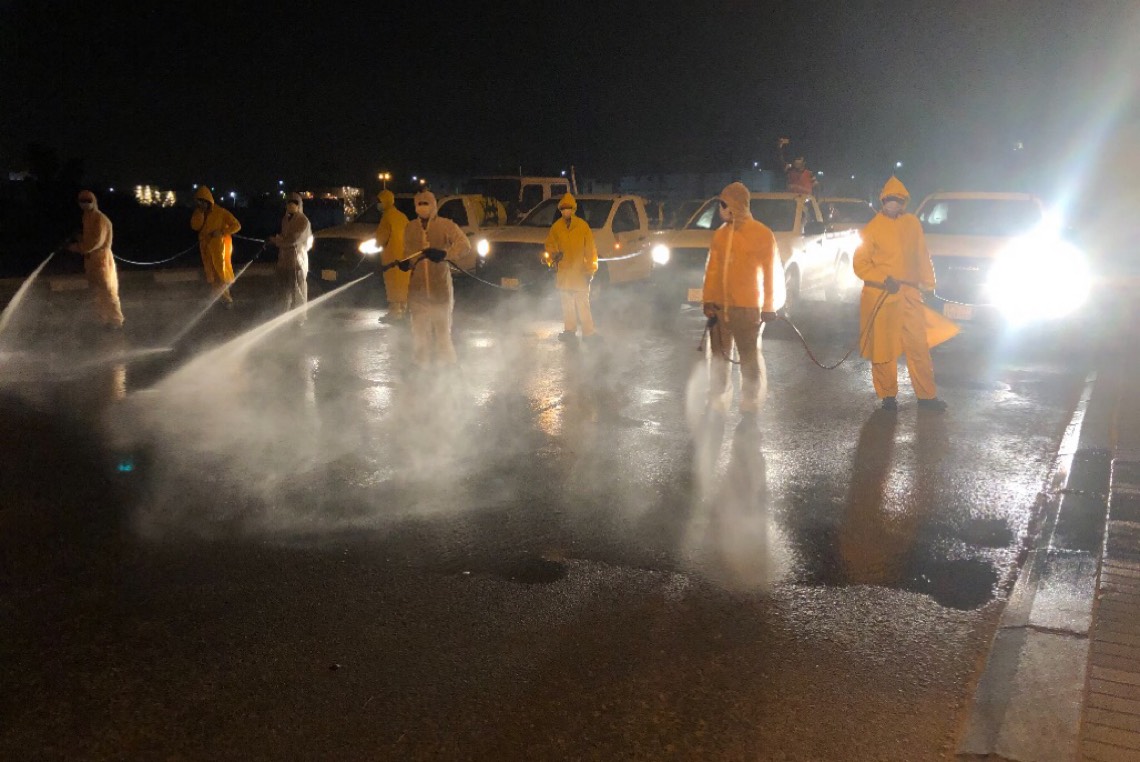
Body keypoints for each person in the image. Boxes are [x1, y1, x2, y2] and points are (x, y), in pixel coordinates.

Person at [853, 177, 957, 411]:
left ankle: (927, 396)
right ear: (882, 201)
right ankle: (888, 396)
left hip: (909, 295)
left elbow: (922, 254)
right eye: (889, 199)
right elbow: (860, 264)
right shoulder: (871, 230)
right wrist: (883, 279)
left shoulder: (912, 224)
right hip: (881, 298)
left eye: (898, 200)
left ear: (904, 202)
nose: (893, 203)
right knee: (883, 349)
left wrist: (928, 285)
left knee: (918, 346)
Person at [702, 182, 783, 417]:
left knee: (749, 358)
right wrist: (708, 300)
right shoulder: (720, 235)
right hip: (720, 307)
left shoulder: (761, 234)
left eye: (724, 204)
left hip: (748, 308)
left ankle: (750, 402)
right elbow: (712, 271)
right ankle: (717, 401)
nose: (721, 209)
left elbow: (770, 273)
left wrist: (769, 306)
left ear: (736, 205)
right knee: (719, 357)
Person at [399, 189, 472, 368]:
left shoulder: (445, 226)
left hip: (440, 291)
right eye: (419, 204)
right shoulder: (410, 228)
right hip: (417, 293)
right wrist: (406, 263)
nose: (422, 207)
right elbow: (408, 254)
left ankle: (447, 368)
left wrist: (445, 254)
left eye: (426, 204)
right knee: (419, 335)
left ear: (433, 206)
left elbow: (464, 245)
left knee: (442, 334)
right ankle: (421, 368)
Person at [544, 193, 600, 343]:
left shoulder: (582, 226)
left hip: (580, 273)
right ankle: (569, 330)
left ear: (573, 208)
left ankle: (588, 333)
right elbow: (549, 245)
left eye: (568, 207)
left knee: (583, 305)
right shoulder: (556, 227)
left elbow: (590, 250)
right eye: (563, 208)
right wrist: (553, 256)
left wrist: (590, 270)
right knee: (567, 304)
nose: (565, 210)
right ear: (560, 209)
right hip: (564, 273)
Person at [67, 190, 124, 329]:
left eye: (88, 201)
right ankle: (104, 320)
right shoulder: (87, 217)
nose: (85, 204)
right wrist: (79, 238)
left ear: (94, 201)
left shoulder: (99, 219)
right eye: (82, 201)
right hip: (92, 260)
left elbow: (95, 242)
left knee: (108, 290)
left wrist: (78, 247)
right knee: (98, 292)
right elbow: (89, 238)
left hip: (102, 259)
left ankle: (116, 320)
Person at [190, 186, 241, 307]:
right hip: (206, 248)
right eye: (199, 202)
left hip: (219, 249)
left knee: (221, 273)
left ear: (208, 201)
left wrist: (222, 232)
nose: (201, 205)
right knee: (211, 274)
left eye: (203, 202)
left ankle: (226, 299)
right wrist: (200, 214)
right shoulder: (198, 213)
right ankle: (218, 297)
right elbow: (195, 226)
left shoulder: (221, 212)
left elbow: (237, 225)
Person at [269, 192, 311, 315]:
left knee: (298, 290)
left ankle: (300, 317)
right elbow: (285, 236)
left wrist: (276, 241)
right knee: (284, 291)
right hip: (284, 261)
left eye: (294, 203)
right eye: (289, 203)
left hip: (297, 261)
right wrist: (276, 239)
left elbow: (293, 240)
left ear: (299, 205)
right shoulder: (285, 219)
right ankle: (284, 315)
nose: (291, 205)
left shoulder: (303, 221)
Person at [375, 190, 410, 322]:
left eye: (379, 201)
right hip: (404, 257)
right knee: (403, 284)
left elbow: (381, 237)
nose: (378, 204)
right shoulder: (402, 216)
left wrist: (376, 244)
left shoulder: (387, 217)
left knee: (393, 285)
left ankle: (395, 313)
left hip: (391, 256)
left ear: (386, 201)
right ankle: (404, 311)